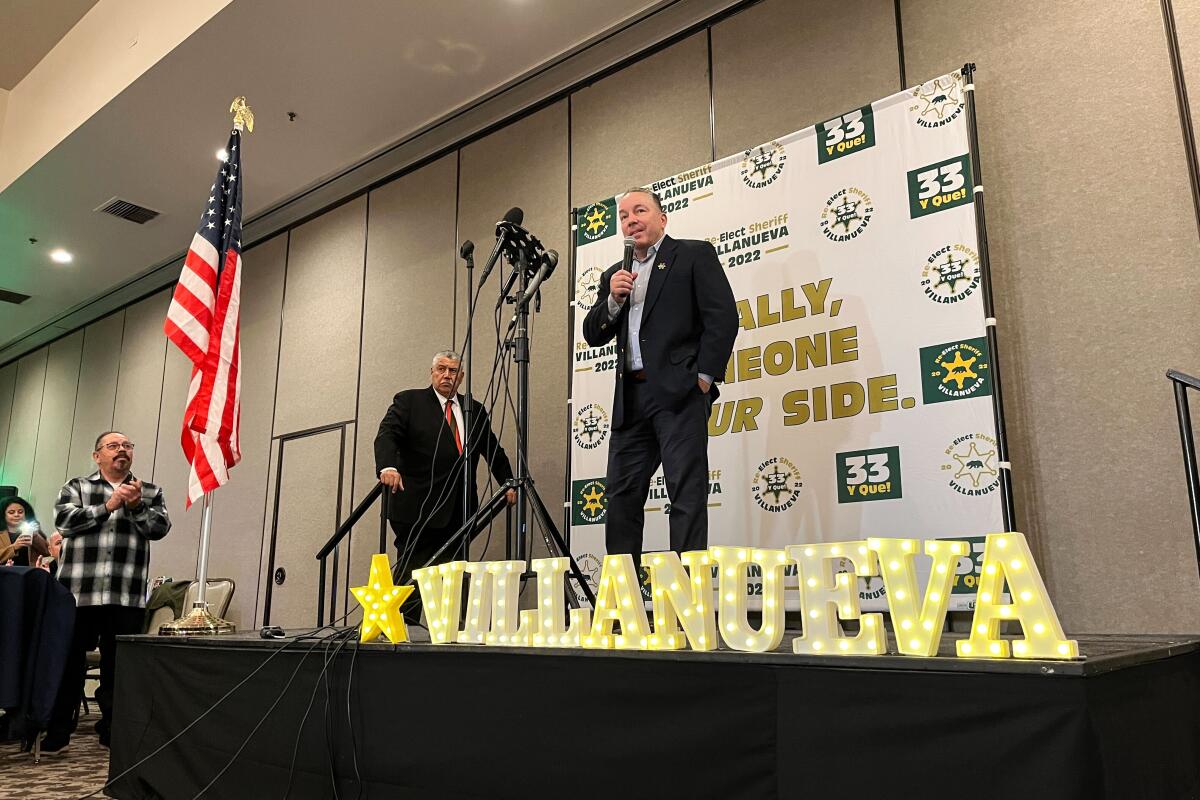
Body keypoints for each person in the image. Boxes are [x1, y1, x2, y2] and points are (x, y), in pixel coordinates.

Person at [582, 187, 738, 561]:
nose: (631, 220)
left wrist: (703, 378)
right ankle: (625, 605)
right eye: (623, 215)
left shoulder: (693, 255)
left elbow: (723, 318)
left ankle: (686, 605)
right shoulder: (613, 275)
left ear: (662, 218)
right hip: (631, 401)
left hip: (679, 395)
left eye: (639, 211)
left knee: (685, 494)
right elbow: (592, 334)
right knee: (620, 500)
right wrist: (613, 301)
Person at [42, 431, 171, 753]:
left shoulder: (150, 492)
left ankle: (112, 730)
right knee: (68, 664)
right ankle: (57, 731)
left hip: (125, 594)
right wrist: (109, 506)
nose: (122, 451)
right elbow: (64, 522)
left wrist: (137, 505)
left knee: (119, 669)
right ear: (97, 455)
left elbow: (159, 530)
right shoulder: (77, 487)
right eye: (113, 446)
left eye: (127, 445)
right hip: (78, 594)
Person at [374, 350, 515, 620]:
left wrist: (507, 482)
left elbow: (493, 450)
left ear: (461, 377)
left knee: (454, 574)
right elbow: (387, 435)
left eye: (453, 371)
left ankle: (451, 634)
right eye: (441, 369)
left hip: (459, 511)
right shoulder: (409, 401)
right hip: (417, 508)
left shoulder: (473, 409)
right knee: (413, 573)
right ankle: (404, 632)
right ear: (432, 372)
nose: (446, 375)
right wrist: (387, 467)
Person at [0, 495, 50, 566]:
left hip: (29, 574)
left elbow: (47, 551)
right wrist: (14, 547)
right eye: (11, 512)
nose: (17, 515)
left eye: (20, 512)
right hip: (5, 575)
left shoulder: (32, 530)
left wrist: (35, 535)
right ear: (3, 515)